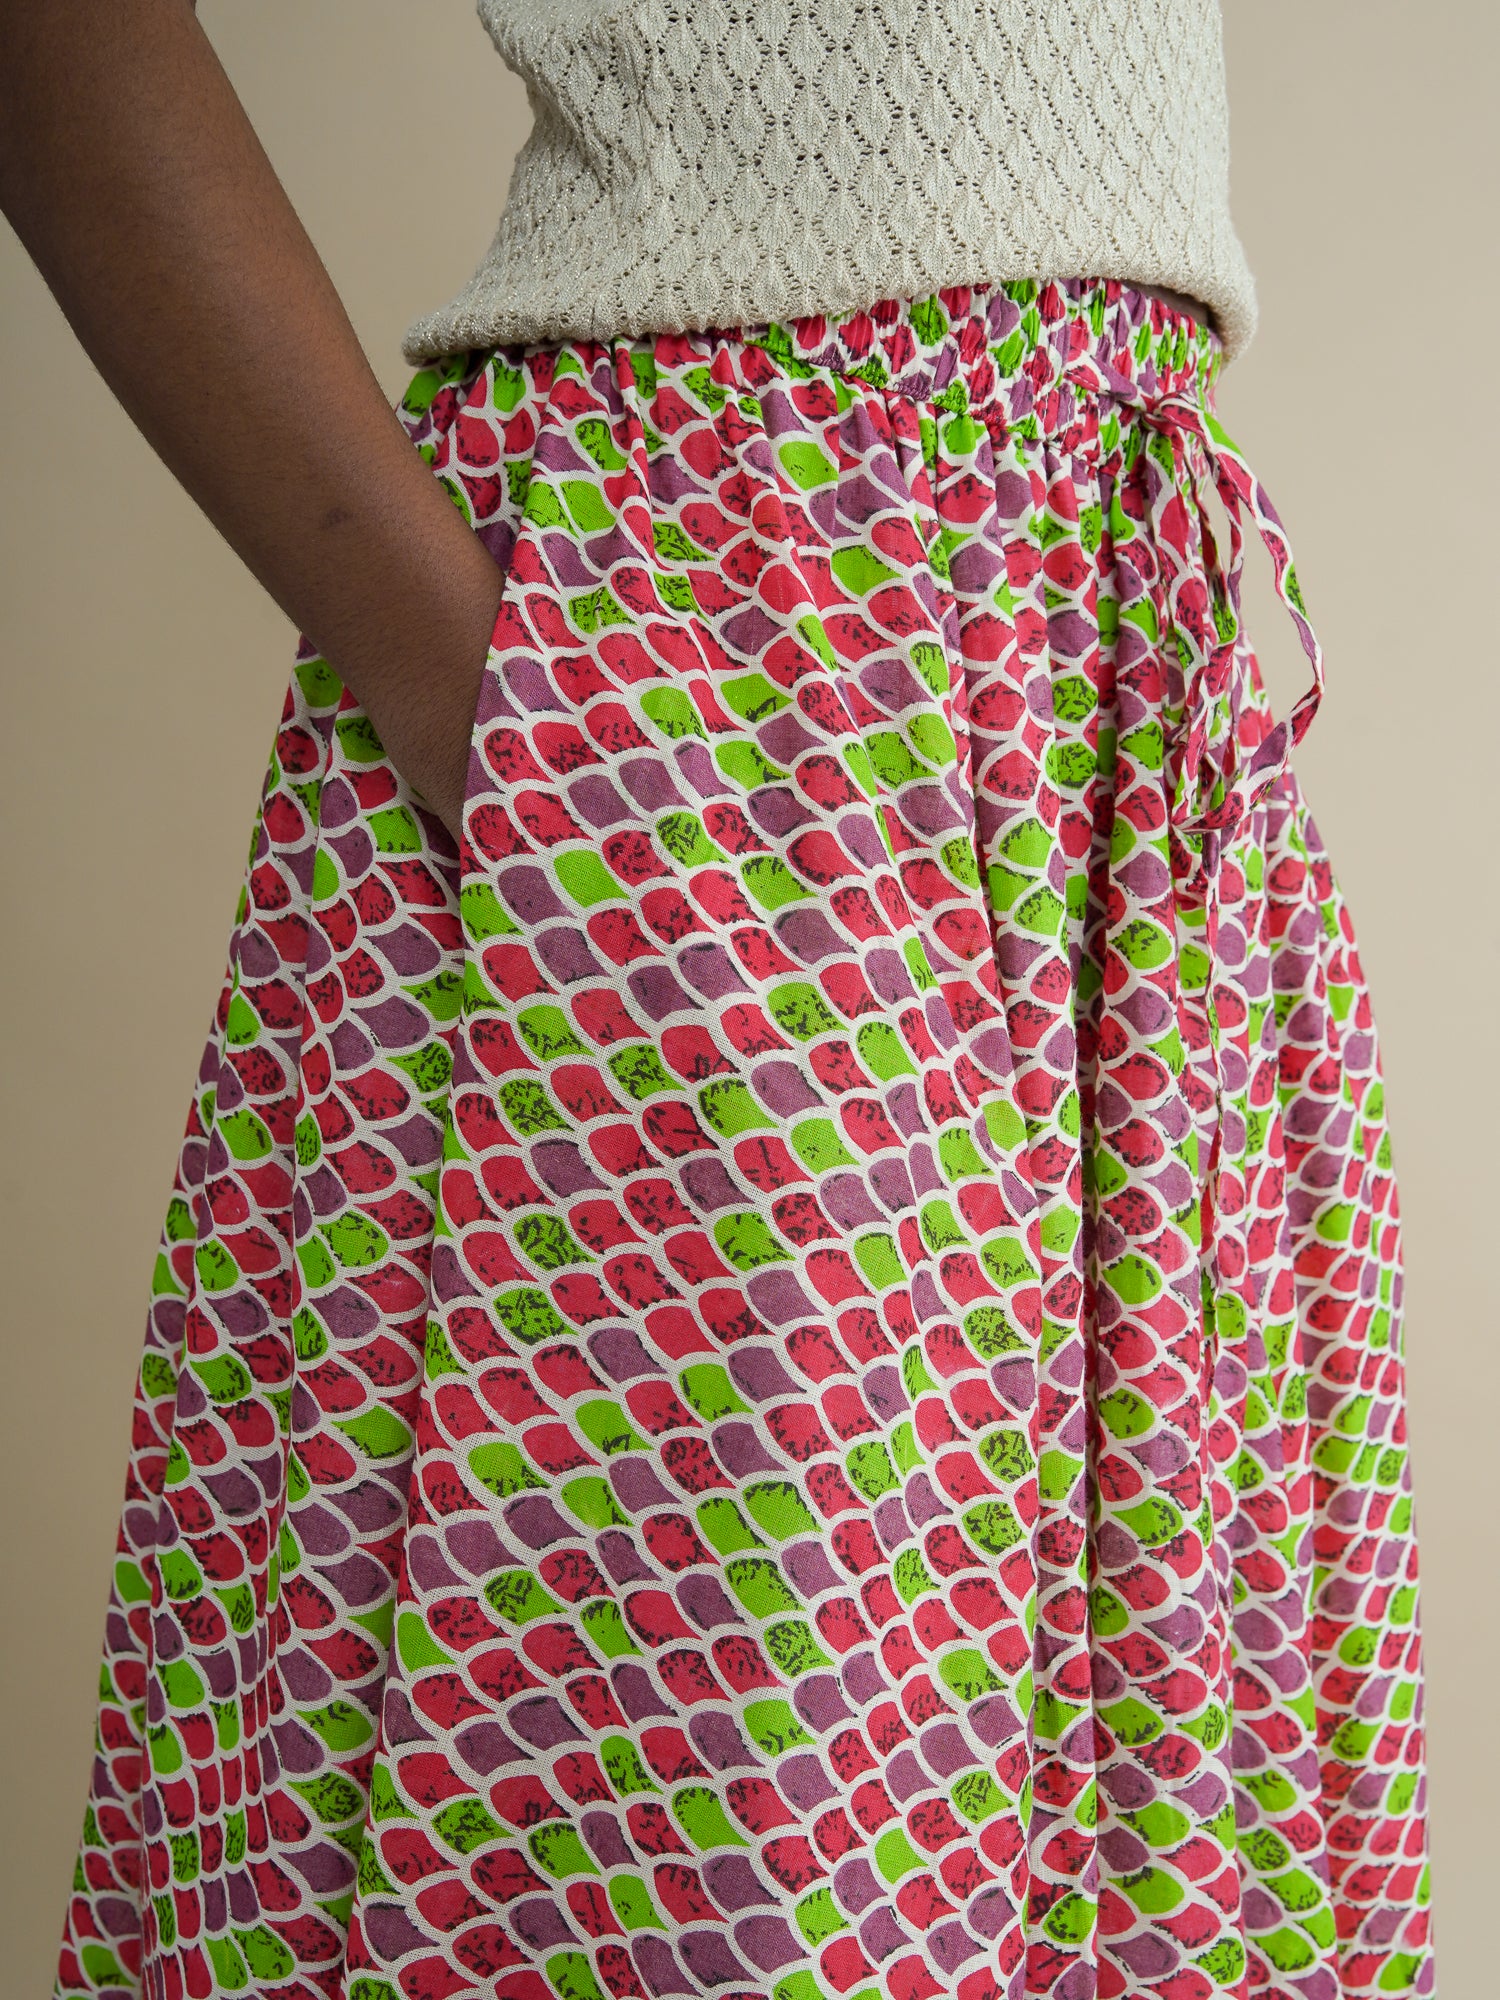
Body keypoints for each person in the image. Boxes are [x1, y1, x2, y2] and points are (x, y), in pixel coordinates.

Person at [2, 3, 1436, 1996]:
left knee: (1138, 1795)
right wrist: (487, 704)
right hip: (723, 670)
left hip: (1115, 690)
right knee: (708, 1817)